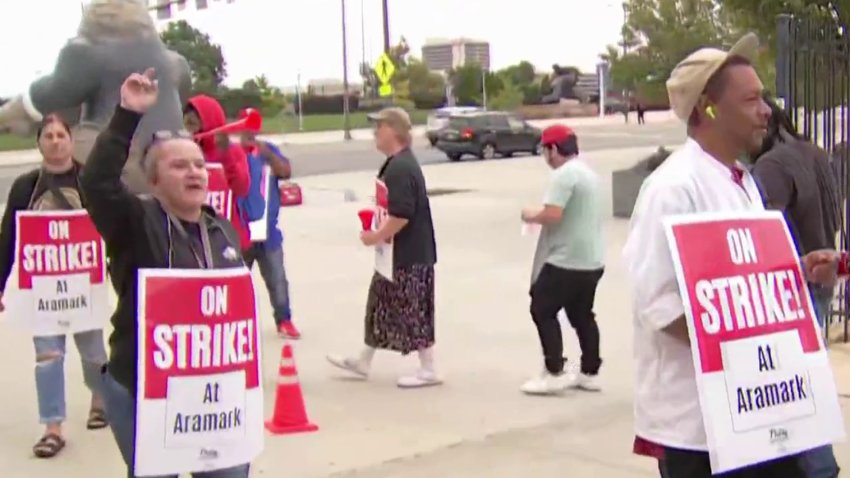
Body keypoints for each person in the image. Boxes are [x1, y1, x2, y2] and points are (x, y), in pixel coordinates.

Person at [622, 33, 806, 477]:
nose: (767, 111)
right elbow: (659, 304)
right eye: (752, 99)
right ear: (708, 107)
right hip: (702, 430)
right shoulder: (673, 189)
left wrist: (799, 272)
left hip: (756, 414)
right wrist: (743, 355)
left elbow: (744, 285)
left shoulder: (741, 181)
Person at [80, 69, 249, 478]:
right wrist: (127, 115)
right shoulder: (136, 221)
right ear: (153, 181)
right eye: (179, 166)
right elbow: (97, 182)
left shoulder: (220, 228)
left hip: (213, 400)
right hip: (143, 393)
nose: (194, 172)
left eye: (198, 164)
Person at [0, 113, 108, 458]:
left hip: (84, 288)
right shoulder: (25, 187)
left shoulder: (90, 183)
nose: (56, 141)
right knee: (48, 357)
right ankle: (52, 426)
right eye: (49, 136)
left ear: (71, 140)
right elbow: (8, 239)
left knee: (93, 353)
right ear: (39, 143)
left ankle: (100, 398)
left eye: (62, 135)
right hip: (43, 292)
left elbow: (112, 230)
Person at [0, 0, 192, 195]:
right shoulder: (175, 63)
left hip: (126, 171)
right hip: (179, 163)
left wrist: (7, 114)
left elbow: (50, 96)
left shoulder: (88, 52)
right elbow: (182, 100)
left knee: (70, 134)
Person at [750, 97, 841, 478]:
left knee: (793, 387)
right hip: (822, 272)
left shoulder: (770, 165)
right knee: (803, 378)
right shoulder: (815, 152)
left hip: (794, 281)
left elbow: (763, 226)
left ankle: (819, 466)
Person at [326, 107, 440, 388]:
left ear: (394, 130)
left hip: (409, 254)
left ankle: (429, 369)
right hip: (394, 255)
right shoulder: (395, 163)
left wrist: (376, 235)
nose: (375, 132)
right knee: (379, 305)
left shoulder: (401, 167)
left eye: (379, 126)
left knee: (413, 310)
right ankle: (364, 361)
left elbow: (402, 214)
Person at [519, 124, 605, 395]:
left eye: (544, 150)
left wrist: (530, 214)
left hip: (566, 258)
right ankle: (589, 371)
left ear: (553, 149)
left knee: (542, 308)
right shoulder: (589, 174)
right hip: (592, 259)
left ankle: (554, 370)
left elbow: (553, 214)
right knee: (581, 315)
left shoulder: (564, 175)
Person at [240, 130, 300, 339]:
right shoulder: (232, 153)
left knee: (278, 279)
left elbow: (285, 172)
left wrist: (269, 154)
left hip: (268, 232)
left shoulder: (267, 150)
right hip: (240, 232)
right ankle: (235, 321)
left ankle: (284, 320)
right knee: (236, 281)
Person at [183, 95, 251, 252]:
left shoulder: (233, 151)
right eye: (187, 116)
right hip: (193, 237)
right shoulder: (181, 150)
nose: (190, 117)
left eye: (196, 116)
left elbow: (241, 188)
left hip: (226, 234)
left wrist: (226, 155)